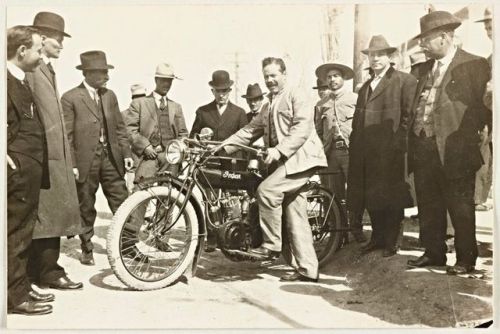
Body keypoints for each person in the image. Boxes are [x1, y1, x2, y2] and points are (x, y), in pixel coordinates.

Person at [222, 57, 328, 282]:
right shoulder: (268, 103)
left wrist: (278, 151)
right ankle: (308, 270)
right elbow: (251, 130)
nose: (270, 80)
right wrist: (222, 147)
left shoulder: (296, 94)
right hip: (287, 163)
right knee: (295, 214)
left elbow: (302, 127)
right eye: (266, 76)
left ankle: (270, 246)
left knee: (266, 191)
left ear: (284, 74)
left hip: (301, 160)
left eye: (274, 75)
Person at [406, 11, 490, 274]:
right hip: (424, 147)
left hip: (457, 149)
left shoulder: (474, 65)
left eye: (426, 40)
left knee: (460, 204)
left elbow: (483, 106)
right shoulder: (423, 70)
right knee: (429, 202)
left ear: (444, 37)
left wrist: (473, 137)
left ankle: (465, 259)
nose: (422, 45)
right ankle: (434, 253)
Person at [25, 11, 84, 291]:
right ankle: (47, 271)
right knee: (47, 216)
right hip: (44, 157)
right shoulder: (33, 69)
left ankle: (44, 270)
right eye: (58, 38)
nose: (61, 44)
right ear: (43, 37)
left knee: (53, 215)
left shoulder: (46, 68)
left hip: (56, 157)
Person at [347, 35, 417, 258]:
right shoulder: (365, 86)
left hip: (390, 150)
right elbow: (358, 121)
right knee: (371, 195)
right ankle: (377, 238)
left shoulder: (403, 80)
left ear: (390, 56)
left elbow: (408, 116)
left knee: (392, 196)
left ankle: (392, 241)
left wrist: (398, 145)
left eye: (380, 54)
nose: (375, 59)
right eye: (372, 55)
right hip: (366, 152)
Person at [61, 51, 134, 266]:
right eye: (101, 73)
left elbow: (120, 128)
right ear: (87, 73)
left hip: (111, 159)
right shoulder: (71, 97)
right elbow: (67, 136)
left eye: (106, 72)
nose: (106, 77)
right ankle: (87, 248)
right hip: (86, 162)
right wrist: (73, 164)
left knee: (122, 201)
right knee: (86, 204)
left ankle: (128, 245)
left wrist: (127, 154)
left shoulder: (110, 96)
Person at [7, 25, 54, 315]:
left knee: (22, 233)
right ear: (22, 50)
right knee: (14, 233)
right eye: (38, 49)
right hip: (17, 173)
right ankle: (13, 298)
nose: (41, 56)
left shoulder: (20, 79)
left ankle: (19, 287)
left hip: (27, 172)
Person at [314, 63, 366, 243]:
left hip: (351, 151)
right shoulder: (321, 104)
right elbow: (318, 131)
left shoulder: (355, 99)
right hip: (331, 153)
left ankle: (356, 227)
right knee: (334, 193)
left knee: (355, 190)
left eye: (336, 76)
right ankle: (339, 232)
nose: (332, 79)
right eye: (329, 77)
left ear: (343, 78)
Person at [190, 70, 247, 141]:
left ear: (229, 90)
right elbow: (193, 139)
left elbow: (244, 141)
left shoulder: (240, 113)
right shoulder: (202, 112)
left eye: (224, 90)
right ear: (212, 91)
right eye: (217, 90)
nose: (221, 95)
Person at [473, 6, 493, 211]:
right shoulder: (490, 59)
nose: (490, 32)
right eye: (487, 28)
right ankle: (479, 198)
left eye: (492, 26)